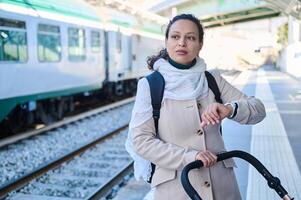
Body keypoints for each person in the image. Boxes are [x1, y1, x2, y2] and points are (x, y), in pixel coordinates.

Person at [127, 14, 266, 200]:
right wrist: (189, 157)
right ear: (167, 41)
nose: (182, 43)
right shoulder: (151, 85)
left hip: (222, 187)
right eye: (175, 36)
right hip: (177, 189)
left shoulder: (212, 79)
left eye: (190, 37)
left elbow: (258, 110)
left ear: (200, 44)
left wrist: (230, 109)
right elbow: (141, 141)